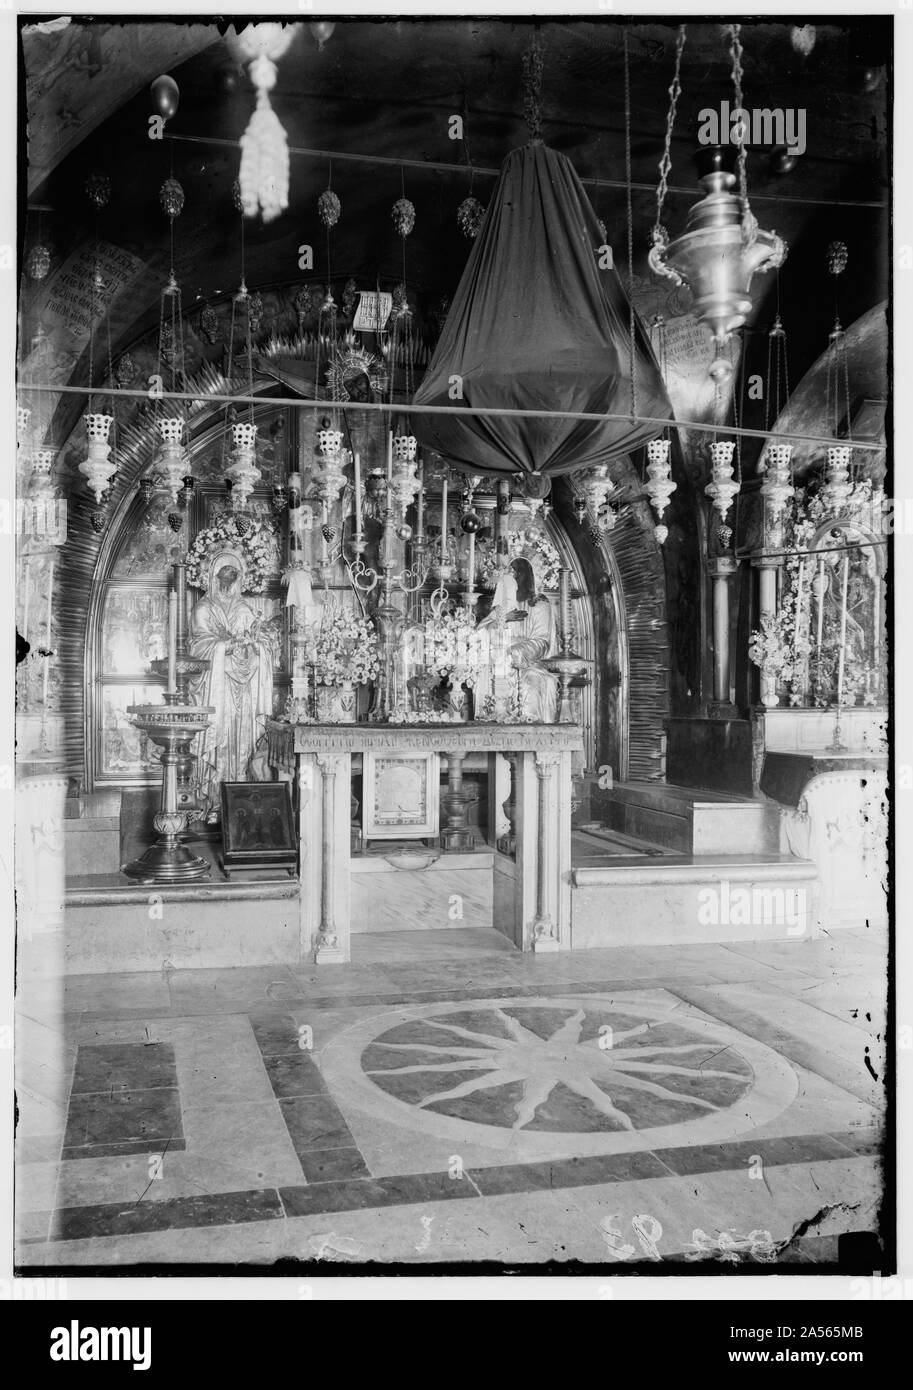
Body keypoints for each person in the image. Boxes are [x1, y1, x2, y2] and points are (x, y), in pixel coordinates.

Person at [190, 550, 277, 813]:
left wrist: (257, 646)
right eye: (224, 575)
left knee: (246, 742)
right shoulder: (204, 608)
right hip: (218, 687)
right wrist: (226, 646)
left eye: (234, 575)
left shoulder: (244, 608)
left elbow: (263, 641)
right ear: (214, 577)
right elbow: (197, 645)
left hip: (247, 685)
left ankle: (247, 804)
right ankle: (215, 803)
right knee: (222, 738)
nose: (229, 580)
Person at [480, 556, 558, 721]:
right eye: (510, 573)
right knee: (484, 679)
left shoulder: (540, 605)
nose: (513, 578)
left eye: (518, 573)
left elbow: (541, 642)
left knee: (531, 684)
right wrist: (504, 618)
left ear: (528, 577)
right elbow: (480, 631)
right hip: (500, 664)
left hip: (529, 665)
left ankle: (530, 735)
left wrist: (510, 653)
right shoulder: (503, 606)